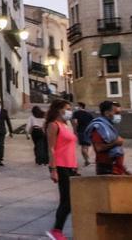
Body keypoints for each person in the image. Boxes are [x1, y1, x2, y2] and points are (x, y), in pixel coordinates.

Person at [45, 99, 77, 240]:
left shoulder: (66, 125)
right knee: (67, 201)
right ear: (59, 110)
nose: (69, 111)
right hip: (61, 165)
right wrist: (53, 169)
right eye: (67, 108)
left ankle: (57, 230)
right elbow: (51, 148)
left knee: (69, 200)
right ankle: (56, 230)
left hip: (71, 166)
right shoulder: (53, 125)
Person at [87, 100, 128, 175]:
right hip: (107, 168)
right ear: (106, 113)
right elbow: (99, 148)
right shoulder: (99, 127)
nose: (119, 116)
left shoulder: (109, 127)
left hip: (115, 168)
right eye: (116, 113)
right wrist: (116, 143)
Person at [72, 102, 95, 167]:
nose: (75, 107)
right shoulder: (89, 114)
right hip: (88, 131)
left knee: (83, 147)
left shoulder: (76, 113)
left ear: (80, 106)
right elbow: (92, 123)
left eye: (77, 106)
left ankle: (87, 160)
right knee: (86, 146)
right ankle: (86, 161)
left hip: (81, 131)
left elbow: (75, 123)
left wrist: (74, 131)